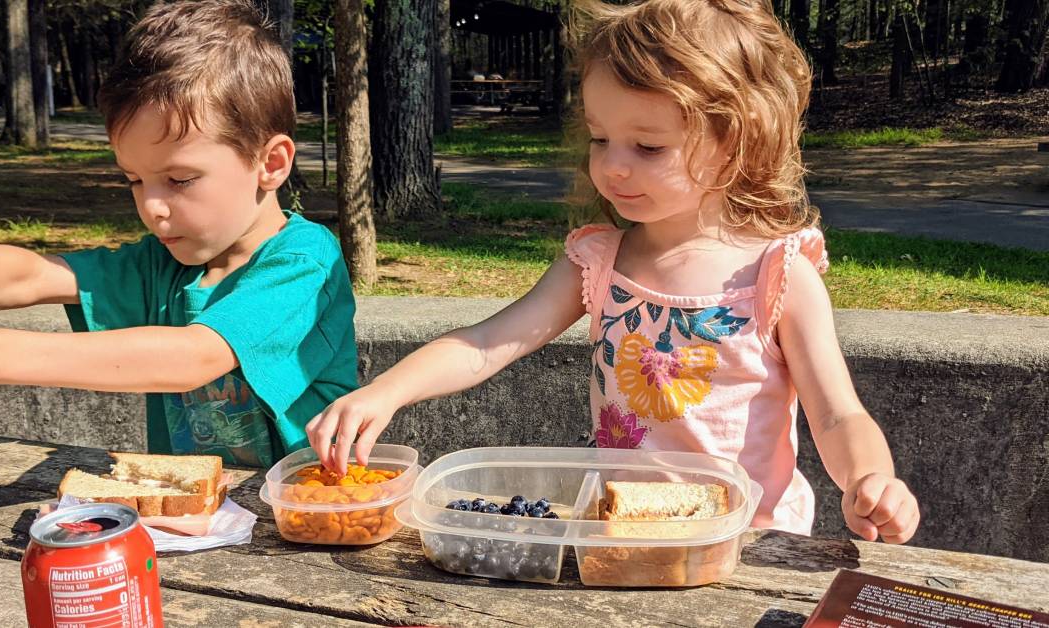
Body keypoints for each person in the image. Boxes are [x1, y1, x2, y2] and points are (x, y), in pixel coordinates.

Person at [308, 0, 919, 543]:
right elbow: (486, 343)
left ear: (737, 140)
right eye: (601, 139)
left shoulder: (776, 275)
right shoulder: (599, 261)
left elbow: (838, 413)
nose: (613, 167)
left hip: (749, 543)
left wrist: (872, 478)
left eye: (647, 147)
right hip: (620, 532)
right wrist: (385, 391)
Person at [0, 0, 357, 469]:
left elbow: (194, 356)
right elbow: (33, 275)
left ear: (270, 163)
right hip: (200, 519)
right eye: (134, 180)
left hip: (302, 519)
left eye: (180, 180)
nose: (152, 207)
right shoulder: (167, 264)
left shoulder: (303, 260)